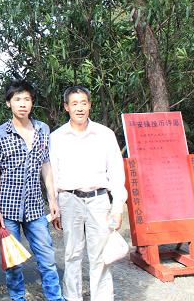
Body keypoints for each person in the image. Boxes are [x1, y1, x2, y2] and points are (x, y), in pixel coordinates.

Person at [0, 80, 63, 301]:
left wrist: (53, 200)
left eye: (27, 99)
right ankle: (17, 297)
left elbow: (46, 166)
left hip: (35, 207)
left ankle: (55, 297)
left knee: (47, 256)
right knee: (13, 262)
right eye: (17, 99)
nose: (22, 104)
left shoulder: (42, 129)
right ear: (8, 103)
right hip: (7, 208)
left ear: (32, 102)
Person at [50, 86, 127, 301]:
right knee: (72, 254)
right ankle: (72, 297)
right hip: (69, 199)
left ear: (90, 105)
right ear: (66, 107)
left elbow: (116, 172)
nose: (80, 108)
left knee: (100, 256)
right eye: (74, 104)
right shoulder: (57, 137)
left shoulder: (104, 134)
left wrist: (117, 207)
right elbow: (53, 174)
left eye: (83, 103)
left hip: (99, 199)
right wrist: (54, 205)